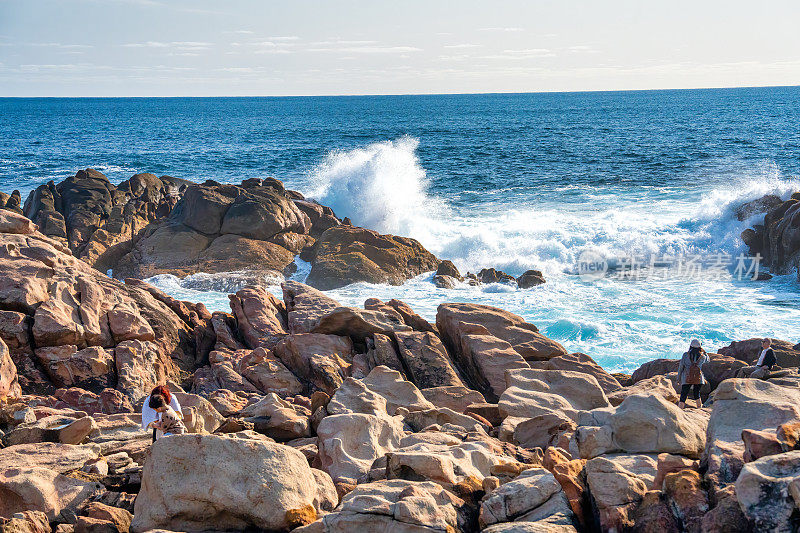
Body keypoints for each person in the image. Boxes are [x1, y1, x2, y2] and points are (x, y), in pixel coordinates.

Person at [676, 339, 709, 409]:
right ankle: (699, 408)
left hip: (687, 378)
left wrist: (678, 378)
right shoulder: (702, 356)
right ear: (700, 347)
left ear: (690, 346)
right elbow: (708, 360)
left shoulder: (685, 355)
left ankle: (680, 409)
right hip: (698, 378)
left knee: (684, 394)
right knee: (697, 393)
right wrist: (704, 352)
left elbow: (681, 367)